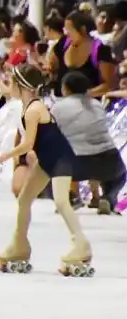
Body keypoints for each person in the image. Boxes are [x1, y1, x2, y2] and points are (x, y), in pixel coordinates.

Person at [0, 65, 93, 277]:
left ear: (23, 87)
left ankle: (81, 244)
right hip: (47, 161)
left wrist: (7, 155)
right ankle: (20, 244)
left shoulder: (34, 110)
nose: (11, 87)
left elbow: (28, 144)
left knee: (61, 202)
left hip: (60, 159)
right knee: (24, 199)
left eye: (13, 83)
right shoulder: (27, 106)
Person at [51, 71, 125, 216]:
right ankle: (107, 197)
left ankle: (72, 196)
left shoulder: (58, 107)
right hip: (108, 159)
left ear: (65, 88)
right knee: (119, 173)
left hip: (76, 164)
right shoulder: (97, 105)